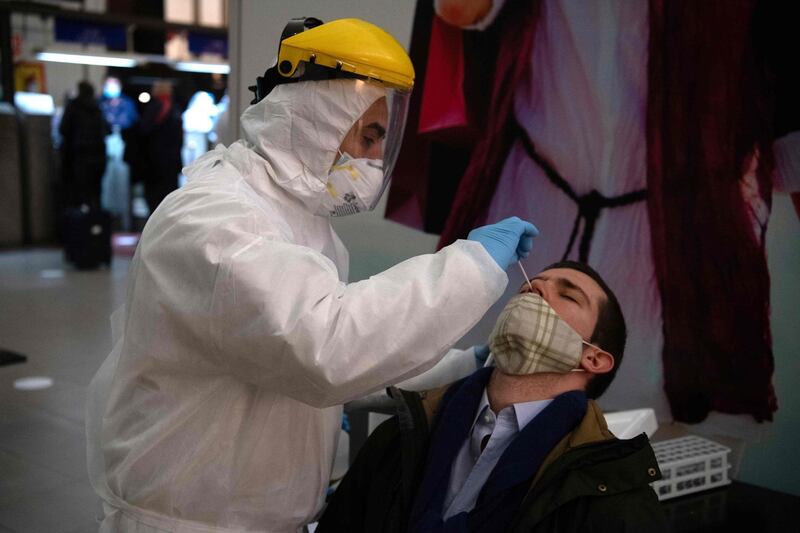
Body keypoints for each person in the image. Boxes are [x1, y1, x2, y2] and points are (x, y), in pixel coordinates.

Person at [86, 17, 538, 532]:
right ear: (313, 114)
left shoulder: (304, 225)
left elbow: (338, 350)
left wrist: (461, 366)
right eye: (368, 135)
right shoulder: (212, 220)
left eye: (381, 142)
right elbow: (327, 346)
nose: (371, 159)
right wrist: (472, 264)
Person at [317, 260, 667, 533]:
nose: (534, 289)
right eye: (530, 285)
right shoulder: (398, 440)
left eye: (568, 294)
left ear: (593, 357)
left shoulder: (609, 497)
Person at [59, 81, 108, 208]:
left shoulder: (74, 106)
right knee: (96, 193)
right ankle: (96, 222)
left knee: (78, 194)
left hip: (78, 157)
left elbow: (63, 129)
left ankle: (80, 223)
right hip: (98, 157)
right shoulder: (97, 107)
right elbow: (106, 129)